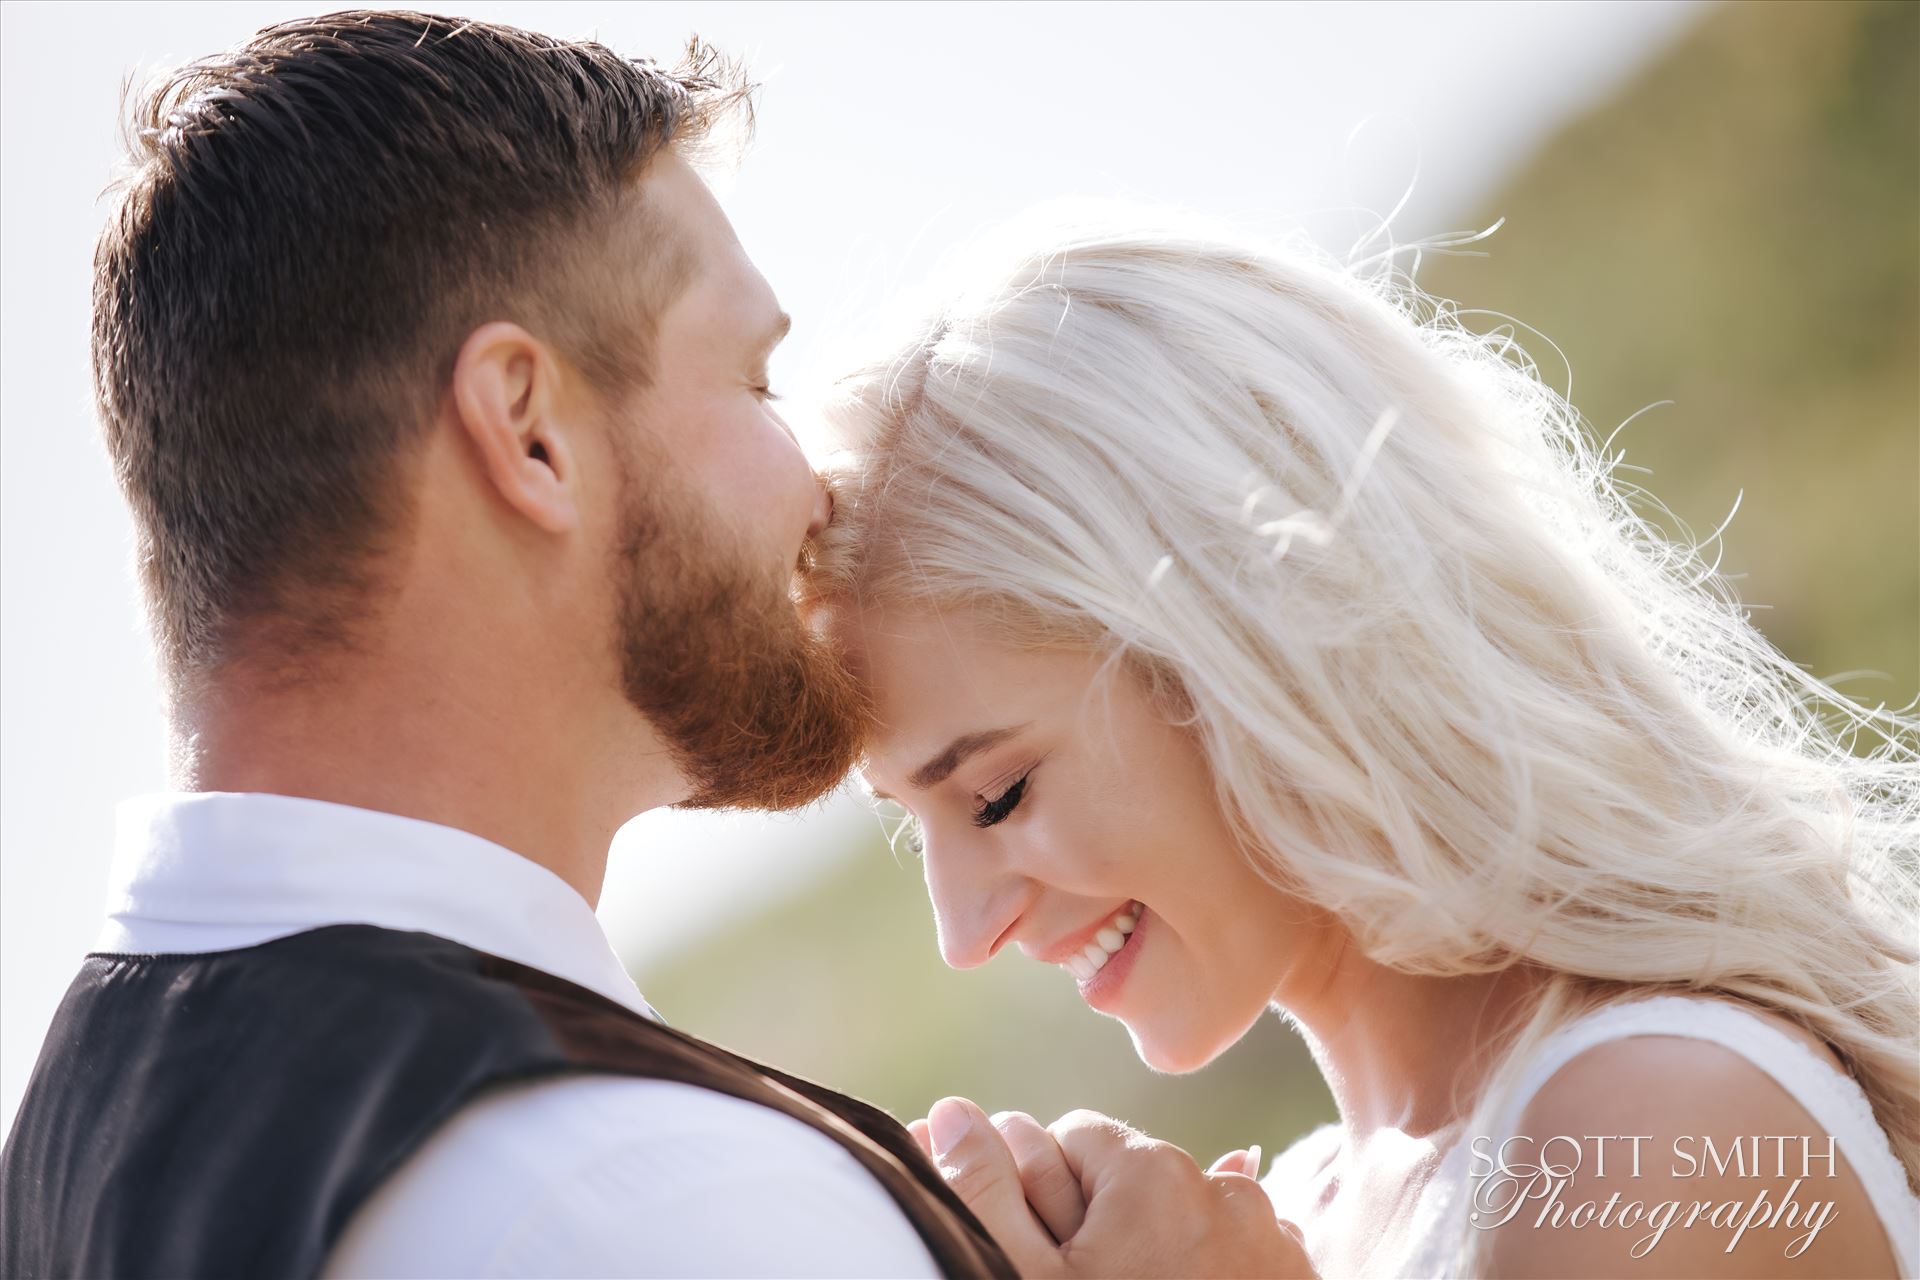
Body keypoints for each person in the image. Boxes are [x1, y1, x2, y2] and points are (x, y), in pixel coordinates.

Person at [801, 212, 1920, 1277]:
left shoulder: (1653, 1125)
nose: (963, 929)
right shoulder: (1302, 1208)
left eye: (998, 794)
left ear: (1252, 641)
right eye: (914, 829)